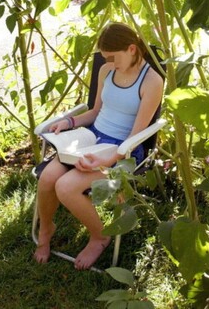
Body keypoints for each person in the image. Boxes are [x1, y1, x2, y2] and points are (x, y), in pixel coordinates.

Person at [33, 22, 164, 269]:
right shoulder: (106, 71)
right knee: (48, 178)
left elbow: (136, 136)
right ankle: (47, 228)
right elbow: (95, 111)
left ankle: (100, 236)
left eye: (113, 57)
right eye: (106, 58)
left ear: (132, 49)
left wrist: (108, 159)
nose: (110, 63)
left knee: (66, 187)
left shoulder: (152, 82)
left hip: (122, 149)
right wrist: (68, 121)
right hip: (91, 138)